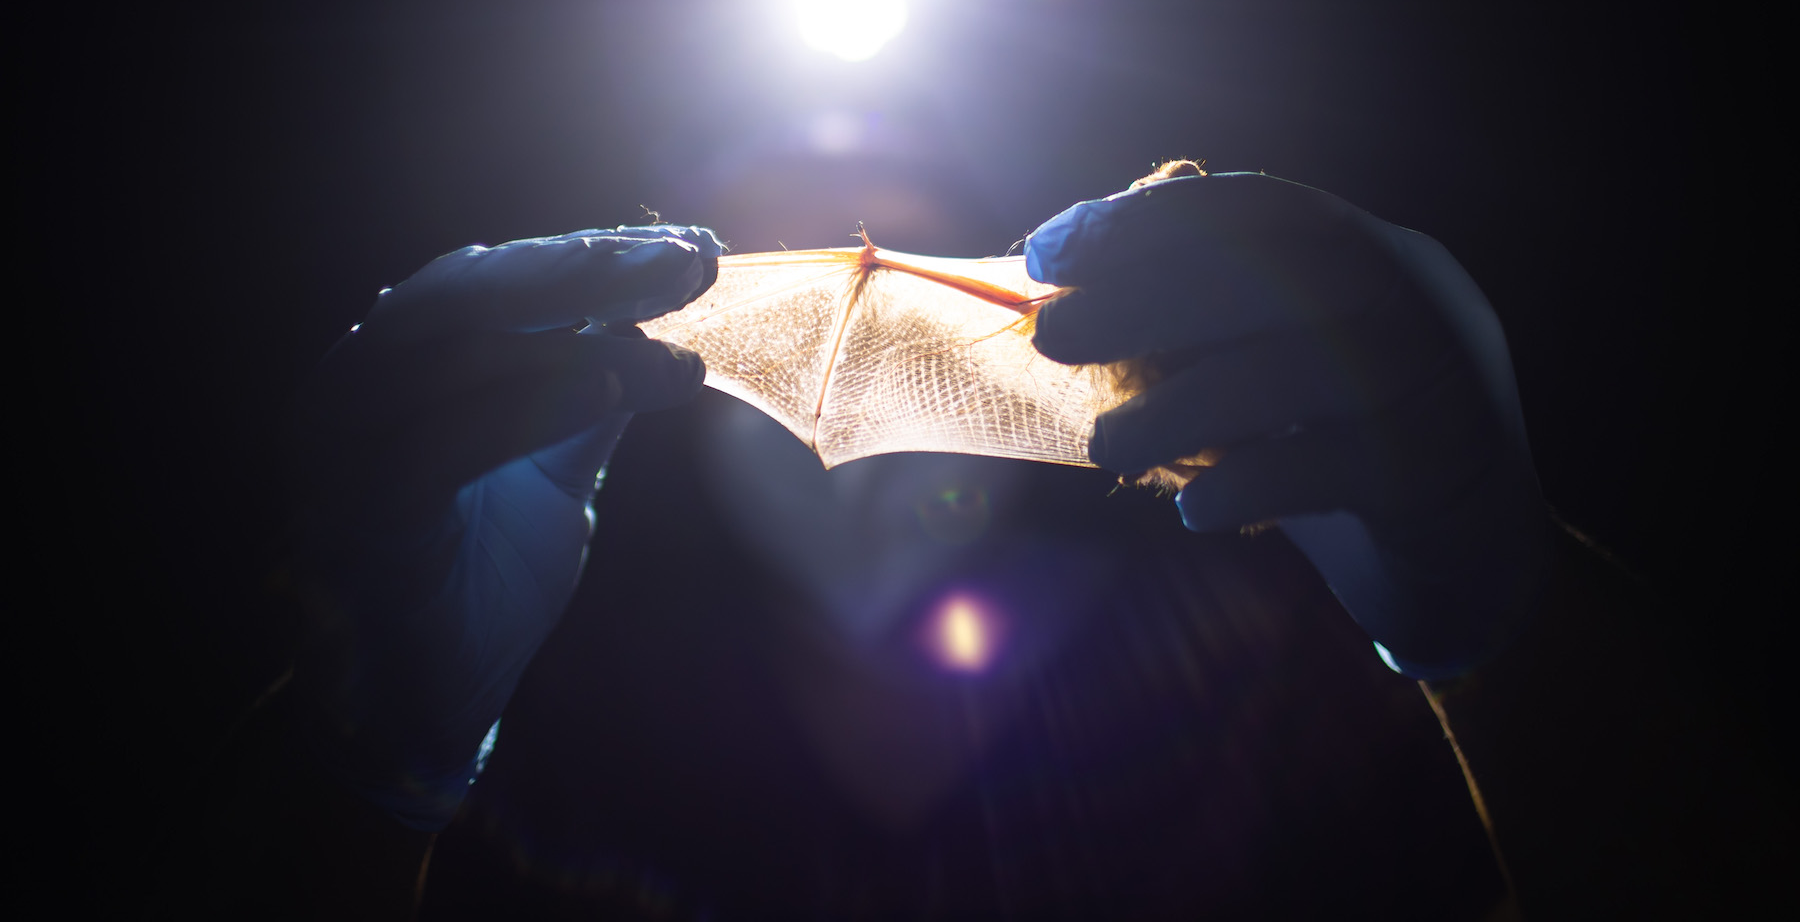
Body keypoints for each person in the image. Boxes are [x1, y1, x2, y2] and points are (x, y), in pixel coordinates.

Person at [190, 166, 1784, 919]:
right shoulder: (589, 757)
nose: (890, 497)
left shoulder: (1253, 727)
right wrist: (354, 791)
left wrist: (1519, 641)